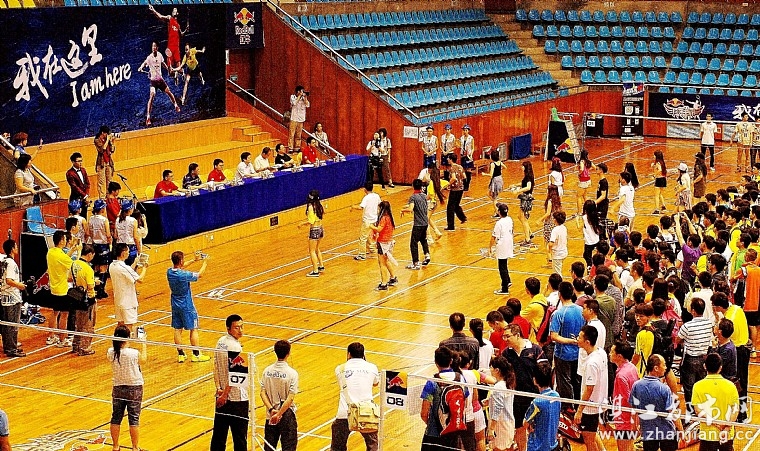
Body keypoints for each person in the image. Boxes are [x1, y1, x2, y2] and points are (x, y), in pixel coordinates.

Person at [332, 342, 379, 451]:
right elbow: (375, 383)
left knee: (337, 447)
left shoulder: (339, 369)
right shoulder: (372, 367)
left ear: (349, 354)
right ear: (363, 354)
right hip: (367, 413)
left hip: (345, 412)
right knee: (372, 445)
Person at [212, 314, 248, 451]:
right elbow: (237, 376)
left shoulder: (220, 341)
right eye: (236, 328)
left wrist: (218, 389)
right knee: (240, 438)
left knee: (219, 436)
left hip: (221, 395)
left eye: (242, 327)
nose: (240, 330)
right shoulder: (235, 348)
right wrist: (225, 395)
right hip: (236, 399)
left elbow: (215, 367)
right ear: (228, 329)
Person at [108, 324, 147, 451]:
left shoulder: (111, 352)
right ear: (127, 338)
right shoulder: (134, 353)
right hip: (134, 388)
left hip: (118, 388)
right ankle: (135, 447)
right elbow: (143, 360)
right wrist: (143, 343)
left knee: (116, 417)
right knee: (134, 419)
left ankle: (115, 446)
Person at [629, 354, 680, 451]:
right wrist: (681, 431)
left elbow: (634, 409)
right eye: (664, 365)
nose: (665, 368)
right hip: (667, 432)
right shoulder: (664, 388)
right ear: (656, 368)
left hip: (648, 432)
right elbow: (672, 412)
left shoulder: (636, 385)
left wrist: (635, 426)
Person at [168, 250, 210, 363]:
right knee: (193, 328)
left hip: (175, 304)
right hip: (186, 305)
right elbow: (200, 274)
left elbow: (180, 267)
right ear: (181, 260)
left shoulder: (169, 272)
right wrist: (205, 262)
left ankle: (181, 354)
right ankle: (196, 354)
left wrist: (194, 260)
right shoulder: (183, 275)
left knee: (177, 329)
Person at [420, 346, 465, 451]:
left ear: (436, 363)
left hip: (434, 433)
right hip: (454, 432)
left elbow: (424, 413)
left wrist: (433, 424)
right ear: (451, 361)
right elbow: (465, 403)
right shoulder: (461, 378)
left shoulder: (432, 383)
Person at [692, 353, 740, 451]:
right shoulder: (731, 386)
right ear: (720, 368)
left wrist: (715, 423)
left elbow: (698, 411)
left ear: (705, 366)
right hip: (726, 434)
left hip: (707, 435)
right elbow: (735, 410)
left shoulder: (697, 386)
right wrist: (726, 428)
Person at [550, 281, 584, 409]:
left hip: (563, 354)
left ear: (560, 294)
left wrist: (570, 341)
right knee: (576, 381)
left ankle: (567, 409)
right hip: (578, 353)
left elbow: (554, 336)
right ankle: (578, 406)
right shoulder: (581, 310)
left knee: (564, 382)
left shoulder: (559, 313)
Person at [574, 325, 608, 451]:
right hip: (598, 403)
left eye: (579, 337)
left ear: (587, 342)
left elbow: (589, 389)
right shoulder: (601, 352)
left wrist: (579, 410)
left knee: (589, 441)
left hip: (589, 408)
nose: (577, 339)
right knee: (592, 435)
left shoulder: (591, 364)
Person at [676, 298, 713, 413]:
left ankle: (691, 412)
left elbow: (677, 340)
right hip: (704, 359)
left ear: (693, 311)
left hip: (690, 359)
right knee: (701, 386)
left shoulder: (687, 326)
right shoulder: (709, 324)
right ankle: (701, 410)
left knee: (689, 388)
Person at [261, 340, 299, 451]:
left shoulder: (267, 371)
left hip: (270, 416)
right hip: (286, 417)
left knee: (269, 447)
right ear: (288, 353)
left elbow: (262, 393)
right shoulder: (292, 374)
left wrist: (272, 410)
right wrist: (279, 414)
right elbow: (290, 398)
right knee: (289, 448)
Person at [137, 41, 181, 126]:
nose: (153, 48)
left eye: (155, 46)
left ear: (157, 48)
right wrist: (140, 67)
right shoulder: (149, 57)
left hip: (160, 80)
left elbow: (163, 63)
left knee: (169, 92)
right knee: (152, 95)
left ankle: (176, 105)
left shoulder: (160, 55)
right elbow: (144, 63)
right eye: (152, 46)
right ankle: (148, 118)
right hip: (153, 81)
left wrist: (168, 69)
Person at [110, 243, 148, 334]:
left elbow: (126, 273)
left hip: (118, 300)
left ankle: (117, 342)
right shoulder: (124, 267)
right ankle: (126, 342)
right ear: (123, 253)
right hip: (128, 303)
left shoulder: (112, 265)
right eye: (128, 251)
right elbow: (140, 279)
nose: (129, 253)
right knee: (128, 328)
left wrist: (135, 263)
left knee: (120, 325)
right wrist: (145, 268)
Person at [609, 341, 639, 451]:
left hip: (624, 419)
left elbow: (629, 400)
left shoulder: (621, 376)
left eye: (612, 352)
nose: (609, 354)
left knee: (623, 448)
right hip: (630, 418)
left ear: (619, 356)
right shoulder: (632, 367)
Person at [46, 230, 73, 347]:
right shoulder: (61, 256)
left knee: (55, 313)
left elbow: (63, 258)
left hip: (53, 288)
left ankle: (51, 336)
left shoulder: (50, 252)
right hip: (63, 290)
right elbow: (74, 265)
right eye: (65, 239)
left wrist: (72, 250)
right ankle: (62, 340)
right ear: (61, 241)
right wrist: (78, 251)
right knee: (64, 315)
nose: (66, 241)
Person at [524, 361, 560, 451]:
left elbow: (525, 423)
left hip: (538, 447)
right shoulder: (557, 396)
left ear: (535, 380)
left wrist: (530, 424)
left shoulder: (537, 402)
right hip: (553, 444)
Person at [0, 240, 26, 357]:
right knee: (12, 325)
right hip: (12, 298)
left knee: (7, 324)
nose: (17, 248)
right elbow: (9, 280)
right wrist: (20, 285)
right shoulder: (11, 263)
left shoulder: (4, 261)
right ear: (12, 249)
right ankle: (11, 349)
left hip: (5, 297)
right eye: (15, 246)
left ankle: (10, 346)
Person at [71, 245, 97, 356]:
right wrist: (95, 282)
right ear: (89, 254)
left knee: (79, 323)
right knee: (88, 324)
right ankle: (85, 348)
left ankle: (76, 345)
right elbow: (90, 286)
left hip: (77, 297)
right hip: (88, 299)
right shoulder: (88, 269)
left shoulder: (74, 264)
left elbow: (69, 278)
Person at [487, 355, 516, 451]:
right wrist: (489, 401)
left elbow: (498, 408)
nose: (490, 369)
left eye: (491, 367)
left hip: (500, 424)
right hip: (508, 422)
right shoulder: (508, 383)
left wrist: (491, 429)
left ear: (497, 370)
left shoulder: (498, 386)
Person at [147, 5, 186, 74]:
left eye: (175, 10)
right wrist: (153, 10)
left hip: (176, 48)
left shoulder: (178, 25)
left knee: (180, 69)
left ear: (177, 13)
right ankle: (175, 74)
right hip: (170, 48)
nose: (173, 11)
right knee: (170, 72)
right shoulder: (169, 18)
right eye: (173, 10)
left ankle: (180, 74)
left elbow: (181, 34)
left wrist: (185, 30)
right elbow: (160, 17)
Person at [401, 179, 430, 269]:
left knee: (413, 243)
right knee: (423, 239)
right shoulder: (424, 196)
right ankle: (427, 255)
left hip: (418, 224)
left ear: (413, 186)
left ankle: (416, 263)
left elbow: (410, 209)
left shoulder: (413, 197)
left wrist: (403, 210)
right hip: (425, 222)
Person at [368, 201, 398, 290]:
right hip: (389, 242)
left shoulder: (383, 218)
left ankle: (384, 283)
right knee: (386, 261)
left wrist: (370, 226)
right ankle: (393, 278)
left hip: (383, 243)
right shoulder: (389, 217)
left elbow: (379, 229)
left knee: (382, 263)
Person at [351, 182, 381, 261]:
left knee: (362, 238)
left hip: (367, 221)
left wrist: (353, 207)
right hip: (374, 219)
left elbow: (361, 207)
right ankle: (370, 249)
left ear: (365, 189)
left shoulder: (366, 198)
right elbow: (379, 205)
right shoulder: (376, 196)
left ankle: (362, 255)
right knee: (368, 236)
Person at [489, 203, 514, 295]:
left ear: (499, 212)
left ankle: (504, 288)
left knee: (502, 266)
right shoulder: (509, 219)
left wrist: (490, 247)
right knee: (504, 264)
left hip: (502, 244)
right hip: (509, 242)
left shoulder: (499, 223)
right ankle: (508, 280)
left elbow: (494, 236)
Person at [89, 199, 112, 298]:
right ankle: (101, 291)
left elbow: (89, 233)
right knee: (103, 268)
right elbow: (108, 234)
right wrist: (110, 241)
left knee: (96, 268)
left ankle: (95, 289)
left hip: (94, 246)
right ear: (102, 209)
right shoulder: (104, 220)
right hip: (103, 246)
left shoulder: (91, 219)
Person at [536, 185, 562, 266]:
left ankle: (550, 260)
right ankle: (552, 259)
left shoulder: (550, 201)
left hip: (549, 223)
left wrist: (540, 220)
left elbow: (548, 213)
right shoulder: (558, 200)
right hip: (555, 222)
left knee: (547, 242)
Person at [302, 190, 325, 277]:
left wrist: (301, 224)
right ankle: (321, 266)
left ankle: (315, 271)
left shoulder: (311, 207)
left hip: (314, 230)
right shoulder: (319, 205)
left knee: (312, 251)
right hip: (320, 228)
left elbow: (311, 221)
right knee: (317, 249)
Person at [512, 161, 535, 245]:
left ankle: (527, 239)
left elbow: (528, 187)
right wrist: (515, 185)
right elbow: (523, 184)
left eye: (523, 166)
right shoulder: (527, 176)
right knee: (520, 216)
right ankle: (530, 233)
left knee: (524, 219)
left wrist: (518, 191)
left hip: (526, 199)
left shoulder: (528, 177)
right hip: (525, 198)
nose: (521, 167)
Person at [445, 154, 468, 231]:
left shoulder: (452, 168)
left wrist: (448, 184)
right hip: (461, 189)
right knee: (456, 205)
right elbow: (464, 177)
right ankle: (463, 218)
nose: (447, 159)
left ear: (451, 159)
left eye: (448, 158)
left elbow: (454, 178)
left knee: (450, 207)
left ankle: (451, 226)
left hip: (455, 190)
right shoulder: (460, 167)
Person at [426, 163, 447, 243]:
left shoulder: (431, 183)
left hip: (430, 203)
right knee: (427, 218)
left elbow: (429, 195)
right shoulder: (439, 181)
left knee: (425, 220)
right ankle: (437, 232)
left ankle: (429, 238)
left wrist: (421, 199)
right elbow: (447, 183)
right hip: (435, 203)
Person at [115, 201, 141, 266]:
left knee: (121, 267)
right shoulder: (133, 220)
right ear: (129, 210)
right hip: (130, 247)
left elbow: (115, 236)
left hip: (120, 247)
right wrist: (139, 249)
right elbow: (135, 237)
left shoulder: (117, 219)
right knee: (132, 268)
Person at [94, 126, 116, 198]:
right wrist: (107, 140)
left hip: (109, 162)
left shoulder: (107, 140)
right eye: (106, 133)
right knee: (101, 182)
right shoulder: (97, 140)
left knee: (109, 180)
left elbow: (112, 150)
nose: (107, 135)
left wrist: (112, 142)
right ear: (102, 133)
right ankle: (102, 198)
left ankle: (109, 196)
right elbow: (102, 149)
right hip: (101, 163)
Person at [288, 86, 310, 152]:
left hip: (301, 119)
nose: (302, 92)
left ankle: (297, 147)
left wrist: (305, 98)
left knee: (298, 135)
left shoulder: (303, 99)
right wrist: (299, 96)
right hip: (294, 118)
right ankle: (290, 148)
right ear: (298, 91)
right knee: (291, 134)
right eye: (301, 91)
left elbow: (308, 105)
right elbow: (294, 103)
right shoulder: (293, 97)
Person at [485, 150, 504, 218]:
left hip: (495, 181)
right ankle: (496, 203)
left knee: (494, 198)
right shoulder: (500, 162)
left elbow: (491, 175)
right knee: (488, 194)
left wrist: (484, 174)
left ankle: (498, 213)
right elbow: (505, 167)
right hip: (500, 179)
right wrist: (499, 171)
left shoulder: (493, 164)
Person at [549, 211, 568, 276]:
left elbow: (551, 243)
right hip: (564, 251)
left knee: (557, 273)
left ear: (555, 220)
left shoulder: (555, 230)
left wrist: (549, 249)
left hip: (557, 254)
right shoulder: (564, 227)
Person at [458, 125, 476, 194]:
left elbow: (473, 147)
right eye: (464, 130)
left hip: (468, 155)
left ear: (468, 131)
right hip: (463, 155)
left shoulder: (471, 138)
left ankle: (467, 185)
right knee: (463, 170)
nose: (465, 131)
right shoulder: (461, 138)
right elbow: (460, 146)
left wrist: (470, 154)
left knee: (468, 170)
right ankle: (464, 183)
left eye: (466, 130)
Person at [577, 150, 593, 214]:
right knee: (585, 195)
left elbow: (582, 169)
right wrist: (588, 171)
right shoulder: (588, 162)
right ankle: (590, 209)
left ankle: (579, 212)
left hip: (583, 181)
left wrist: (579, 173)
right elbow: (595, 167)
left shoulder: (582, 161)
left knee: (578, 196)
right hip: (588, 180)